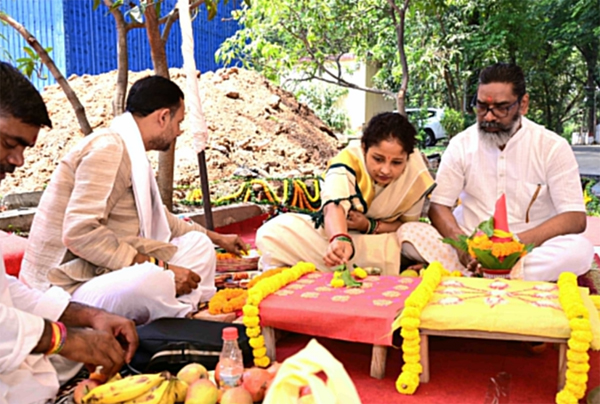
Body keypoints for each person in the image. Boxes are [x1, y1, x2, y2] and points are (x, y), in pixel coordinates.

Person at [19, 75, 246, 324]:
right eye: (178, 122)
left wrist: (217, 239)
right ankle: (177, 317)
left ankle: (180, 314)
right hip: (67, 287)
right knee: (150, 279)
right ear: (163, 117)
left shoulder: (130, 150)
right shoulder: (109, 148)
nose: (179, 131)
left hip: (104, 271)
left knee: (198, 245)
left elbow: (164, 219)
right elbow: (79, 233)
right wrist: (162, 267)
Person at [0, 61, 138, 404]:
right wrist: (66, 339)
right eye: (9, 143)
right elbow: (82, 233)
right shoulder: (107, 149)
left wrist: (89, 316)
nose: (18, 161)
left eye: (24, 149)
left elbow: (6, 293)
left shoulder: (135, 161)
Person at [427, 62, 593, 281]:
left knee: (579, 251)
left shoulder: (552, 147)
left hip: (530, 247)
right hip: (471, 241)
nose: (489, 117)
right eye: (482, 107)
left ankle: (492, 272)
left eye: (501, 108)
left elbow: (574, 217)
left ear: (523, 104)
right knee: (410, 234)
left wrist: (515, 245)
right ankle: (492, 271)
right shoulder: (461, 144)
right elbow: (438, 206)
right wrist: (463, 247)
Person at [255, 112, 454, 275]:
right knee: (273, 231)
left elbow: (406, 226)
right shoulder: (348, 160)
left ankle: (337, 265)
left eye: (396, 163)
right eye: (378, 159)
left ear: (407, 158)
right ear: (365, 148)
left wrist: (369, 225)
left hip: (382, 240)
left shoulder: (415, 173)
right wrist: (340, 238)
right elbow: (333, 207)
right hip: (336, 237)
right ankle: (381, 266)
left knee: (419, 233)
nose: (385, 170)